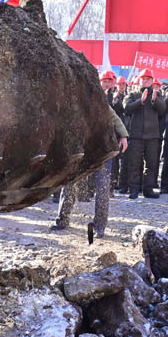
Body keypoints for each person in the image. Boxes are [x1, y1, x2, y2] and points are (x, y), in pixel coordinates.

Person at [54, 74, 128, 236]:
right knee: (70, 183)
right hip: (82, 150)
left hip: (102, 149)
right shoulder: (75, 104)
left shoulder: (102, 101)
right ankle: (62, 219)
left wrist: (123, 136)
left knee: (102, 188)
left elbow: (115, 119)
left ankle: (100, 226)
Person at [122, 72, 167, 199]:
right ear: (139, 80)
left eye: (148, 79)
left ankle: (148, 190)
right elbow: (126, 108)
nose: (145, 81)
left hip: (152, 136)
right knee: (134, 164)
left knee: (151, 164)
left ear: (152, 81)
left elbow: (163, 110)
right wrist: (140, 101)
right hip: (136, 135)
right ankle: (134, 190)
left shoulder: (157, 95)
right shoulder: (133, 94)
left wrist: (154, 100)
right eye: (143, 79)